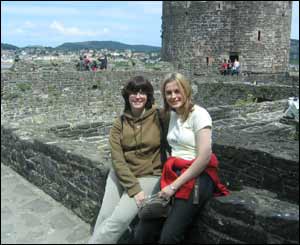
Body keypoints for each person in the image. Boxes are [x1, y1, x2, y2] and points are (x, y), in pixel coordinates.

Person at [134, 72, 229, 244]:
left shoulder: (200, 114)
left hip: (197, 175)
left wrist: (173, 186)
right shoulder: (171, 115)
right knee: (143, 231)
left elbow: (204, 157)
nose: (173, 96)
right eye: (168, 93)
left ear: (186, 90)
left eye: (177, 91)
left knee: (169, 238)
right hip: (173, 172)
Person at [88, 76, 169, 244]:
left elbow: (180, 126)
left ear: (148, 95)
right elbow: (117, 158)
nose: (138, 96)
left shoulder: (159, 117)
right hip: (121, 173)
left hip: (148, 175)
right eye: (133, 92)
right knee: (104, 215)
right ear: (127, 95)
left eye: (142, 92)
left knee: (119, 220)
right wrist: (133, 187)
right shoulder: (120, 123)